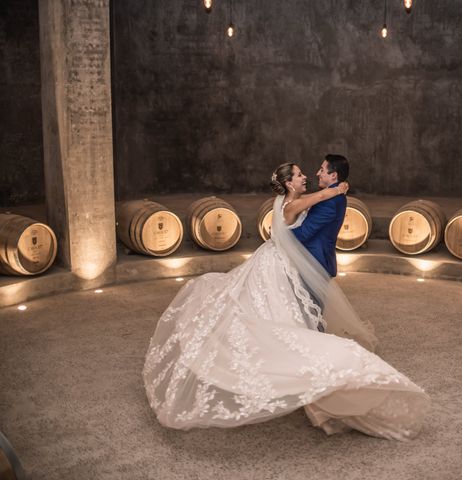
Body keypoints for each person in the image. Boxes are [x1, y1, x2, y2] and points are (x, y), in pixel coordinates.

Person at [143, 162, 428, 440]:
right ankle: (306, 382)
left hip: (285, 261)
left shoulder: (294, 199)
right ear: (289, 183)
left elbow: (314, 205)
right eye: (301, 174)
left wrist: (338, 189)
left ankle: (310, 377)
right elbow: (316, 204)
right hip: (279, 264)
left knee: (285, 313)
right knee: (278, 316)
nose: (308, 175)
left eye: (314, 171)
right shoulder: (293, 204)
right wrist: (337, 188)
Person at [292, 154, 350, 278]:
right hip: (316, 256)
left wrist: (279, 233)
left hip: (314, 260)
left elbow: (303, 233)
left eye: (322, 170)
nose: (318, 173)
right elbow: (315, 197)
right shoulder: (333, 195)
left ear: (333, 175)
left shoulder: (329, 202)